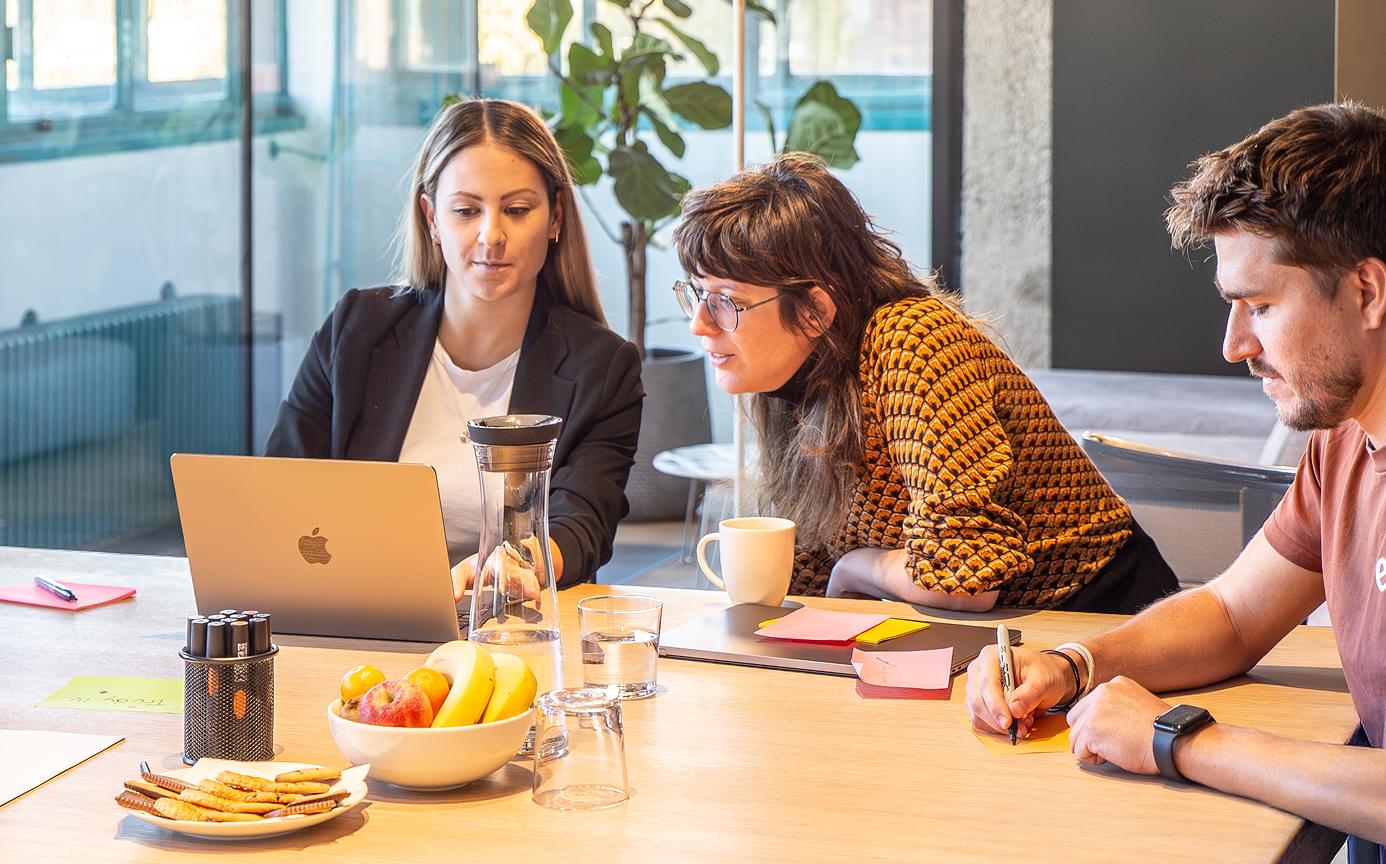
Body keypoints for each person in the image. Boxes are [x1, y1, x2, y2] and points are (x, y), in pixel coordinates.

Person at [965, 102, 1386, 850]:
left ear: (1368, 292)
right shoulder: (1346, 443)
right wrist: (1076, 665)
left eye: (1259, 305)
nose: (1233, 346)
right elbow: (1230, 615)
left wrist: (1180, 741)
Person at [671, 153, 1178, 613]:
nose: (700, 323)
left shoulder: (913, 340)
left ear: (815, 312)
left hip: (1094, 622)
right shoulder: (796, 378)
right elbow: (811, 566)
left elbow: (965, 579)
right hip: (975, 635)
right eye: (696, 293)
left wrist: (855, 566)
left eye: (725, 300)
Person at [266, 98, 643, 592]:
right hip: (354, 613)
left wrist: (523, 565)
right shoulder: (356, 329)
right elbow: (278, 490)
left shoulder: (603, 368)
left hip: (510, 629)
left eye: (516, 209)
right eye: (466, 210)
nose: (491, 235)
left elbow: (584, 521)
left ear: (554, 219)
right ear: (431, 218)